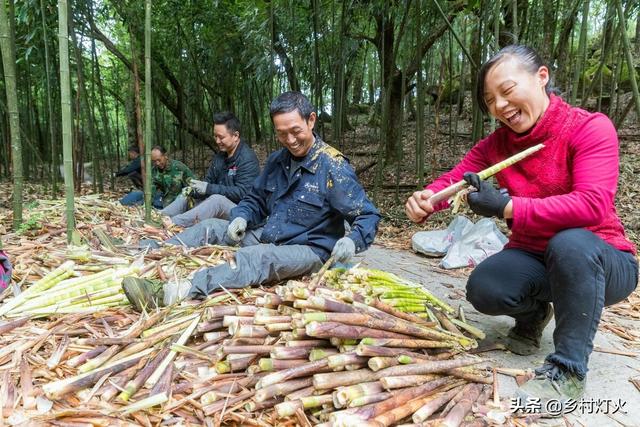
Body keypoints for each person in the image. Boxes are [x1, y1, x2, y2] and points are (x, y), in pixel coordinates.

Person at [405, 45, 638, 406]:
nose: (500, 106)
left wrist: (507, 207)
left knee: (570, 244)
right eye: (490, 100)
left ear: (541, 77)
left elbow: (592, 206)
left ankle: (568, 370)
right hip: (536, 255)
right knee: (486, 287)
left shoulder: (589, 128)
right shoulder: (496, 144)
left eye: (507, 90)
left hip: (603, 259)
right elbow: (457, 177)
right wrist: (427, 199)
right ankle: (532, 317)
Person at [124, 91, 380, 308]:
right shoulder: (277, 161)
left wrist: (352, 240)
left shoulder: (332, 166)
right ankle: (154, 250)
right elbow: (255, 199)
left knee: (258, 258)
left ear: (311, 120)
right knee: (213, 226)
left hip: (310, 250)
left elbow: (367, 215)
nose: (290, 140)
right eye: (282, 134)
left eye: (295, 131)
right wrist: (242, 217)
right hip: (270, 234)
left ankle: (172, 293)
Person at [160, 112, 260, 227]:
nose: (217, 141)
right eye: (215, 136)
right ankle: (159, 217)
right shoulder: (220, 156)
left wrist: (209, 188)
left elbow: (243, 193)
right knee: (187, 195)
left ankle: (174, 223)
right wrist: (195, 190)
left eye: (221, 137)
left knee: (216, 200)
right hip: (219, 204)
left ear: (236, 136)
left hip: (241, 212)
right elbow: (209, 182)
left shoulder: (247, 158)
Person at [120, 146, 195, 208]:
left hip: (176, 202)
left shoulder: (179, 167)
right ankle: (119, 205)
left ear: (165, 156)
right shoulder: (154, 170)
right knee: (136, 195)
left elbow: (195, 185)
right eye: (154, 161)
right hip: (162, 197)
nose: (157, 163)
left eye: (159, 160)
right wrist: (145, 204)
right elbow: (151, 190)